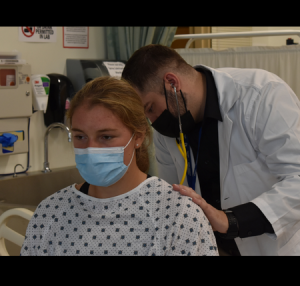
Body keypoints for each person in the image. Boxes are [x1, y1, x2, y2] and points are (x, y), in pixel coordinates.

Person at [121, 44, 300, 256]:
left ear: (172, 83)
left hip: (273, 248)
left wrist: (230, 221)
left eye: (150, 108)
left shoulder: (261, 95)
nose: (152, 121)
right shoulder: (168, 130)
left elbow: (296, 178)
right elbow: (173, 198)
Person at [20, 76, 218, 256]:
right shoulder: (51, 213)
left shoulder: (178, 216)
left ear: (138, 136)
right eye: (80, 136)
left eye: (106, 137)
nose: (90, 149)